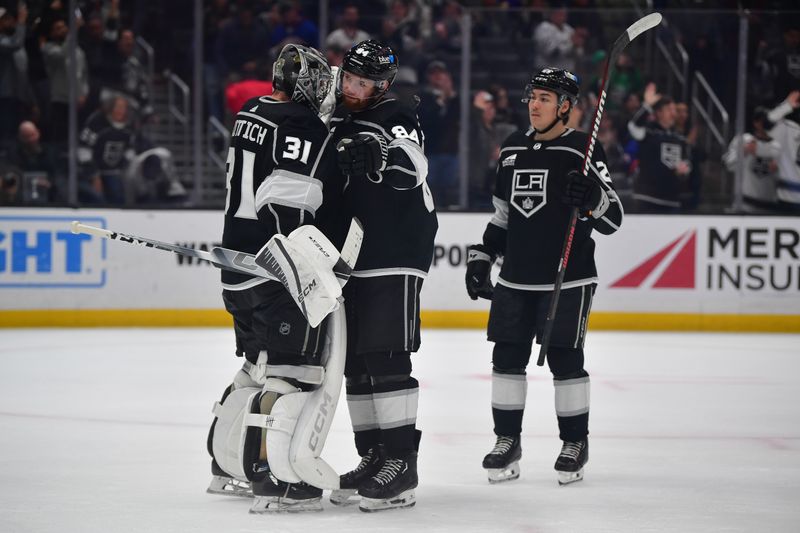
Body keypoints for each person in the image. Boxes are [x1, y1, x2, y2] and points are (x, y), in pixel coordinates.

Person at [465, 67, 623, 487]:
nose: (534, 105)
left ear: (566, 107)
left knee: (566, 362)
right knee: (506, 360)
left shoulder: (584, 152)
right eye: (532, 96)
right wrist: (483, 256)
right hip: (515, 277)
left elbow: (614, 219)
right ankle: (507, 441)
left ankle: (574, 443)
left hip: (567, 278)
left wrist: (592, 200)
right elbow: (502, 215)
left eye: (545, 98)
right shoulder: (513, 147)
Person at [205, 43, 340, 513]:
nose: (325, 92)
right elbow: (284, 201)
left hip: (235, 267)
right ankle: (276, 477)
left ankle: (228, 465)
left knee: (255, 367)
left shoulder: (251, 110)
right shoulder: (302, 124)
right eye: (320, 83)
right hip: (272, 269)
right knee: (291, 371)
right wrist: (304, 263)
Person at [327, 39, 437, 512]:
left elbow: (413, 166)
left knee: (387, 356)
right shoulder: (337, 119)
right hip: (353, 254)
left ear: (383, 86)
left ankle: (401, 463)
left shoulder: (396, 116)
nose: (354, 89)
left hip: (394, 248)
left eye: (364, 83)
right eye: (349, 79)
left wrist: (381, 152)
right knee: (356, 362)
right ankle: (373, 455)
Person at [627, 83, 692, 213]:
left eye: (674, 110)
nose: (674, 113)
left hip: (671, 198)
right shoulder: (648, 132)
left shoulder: (678, 136)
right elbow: (633, 126)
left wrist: (685, 169)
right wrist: (647, 105)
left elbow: (686, 160)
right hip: (647, 198)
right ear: (659, 112)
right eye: (670, 109)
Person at [722, 107, 781, 213]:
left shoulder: (777, 146)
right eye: (764, 121)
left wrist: (777, 170)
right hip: (745, 204)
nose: (768, 124)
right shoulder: (742, 140)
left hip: (769, 205)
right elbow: (728, 165)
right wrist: (743, 153)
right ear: (756, 123)